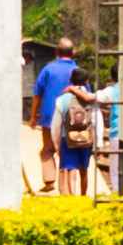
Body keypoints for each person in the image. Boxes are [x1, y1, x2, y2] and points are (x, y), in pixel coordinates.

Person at [32, 39, 83, 194]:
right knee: (67, 150)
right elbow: (85, 93)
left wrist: (33, 116)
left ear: (56, 52)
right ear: (73, 53)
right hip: (73, 117)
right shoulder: (78, 70)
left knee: (47, 150)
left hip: (49, 115)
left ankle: (49, 181)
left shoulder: (48, 69)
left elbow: (37, 94)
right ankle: (68, 187)